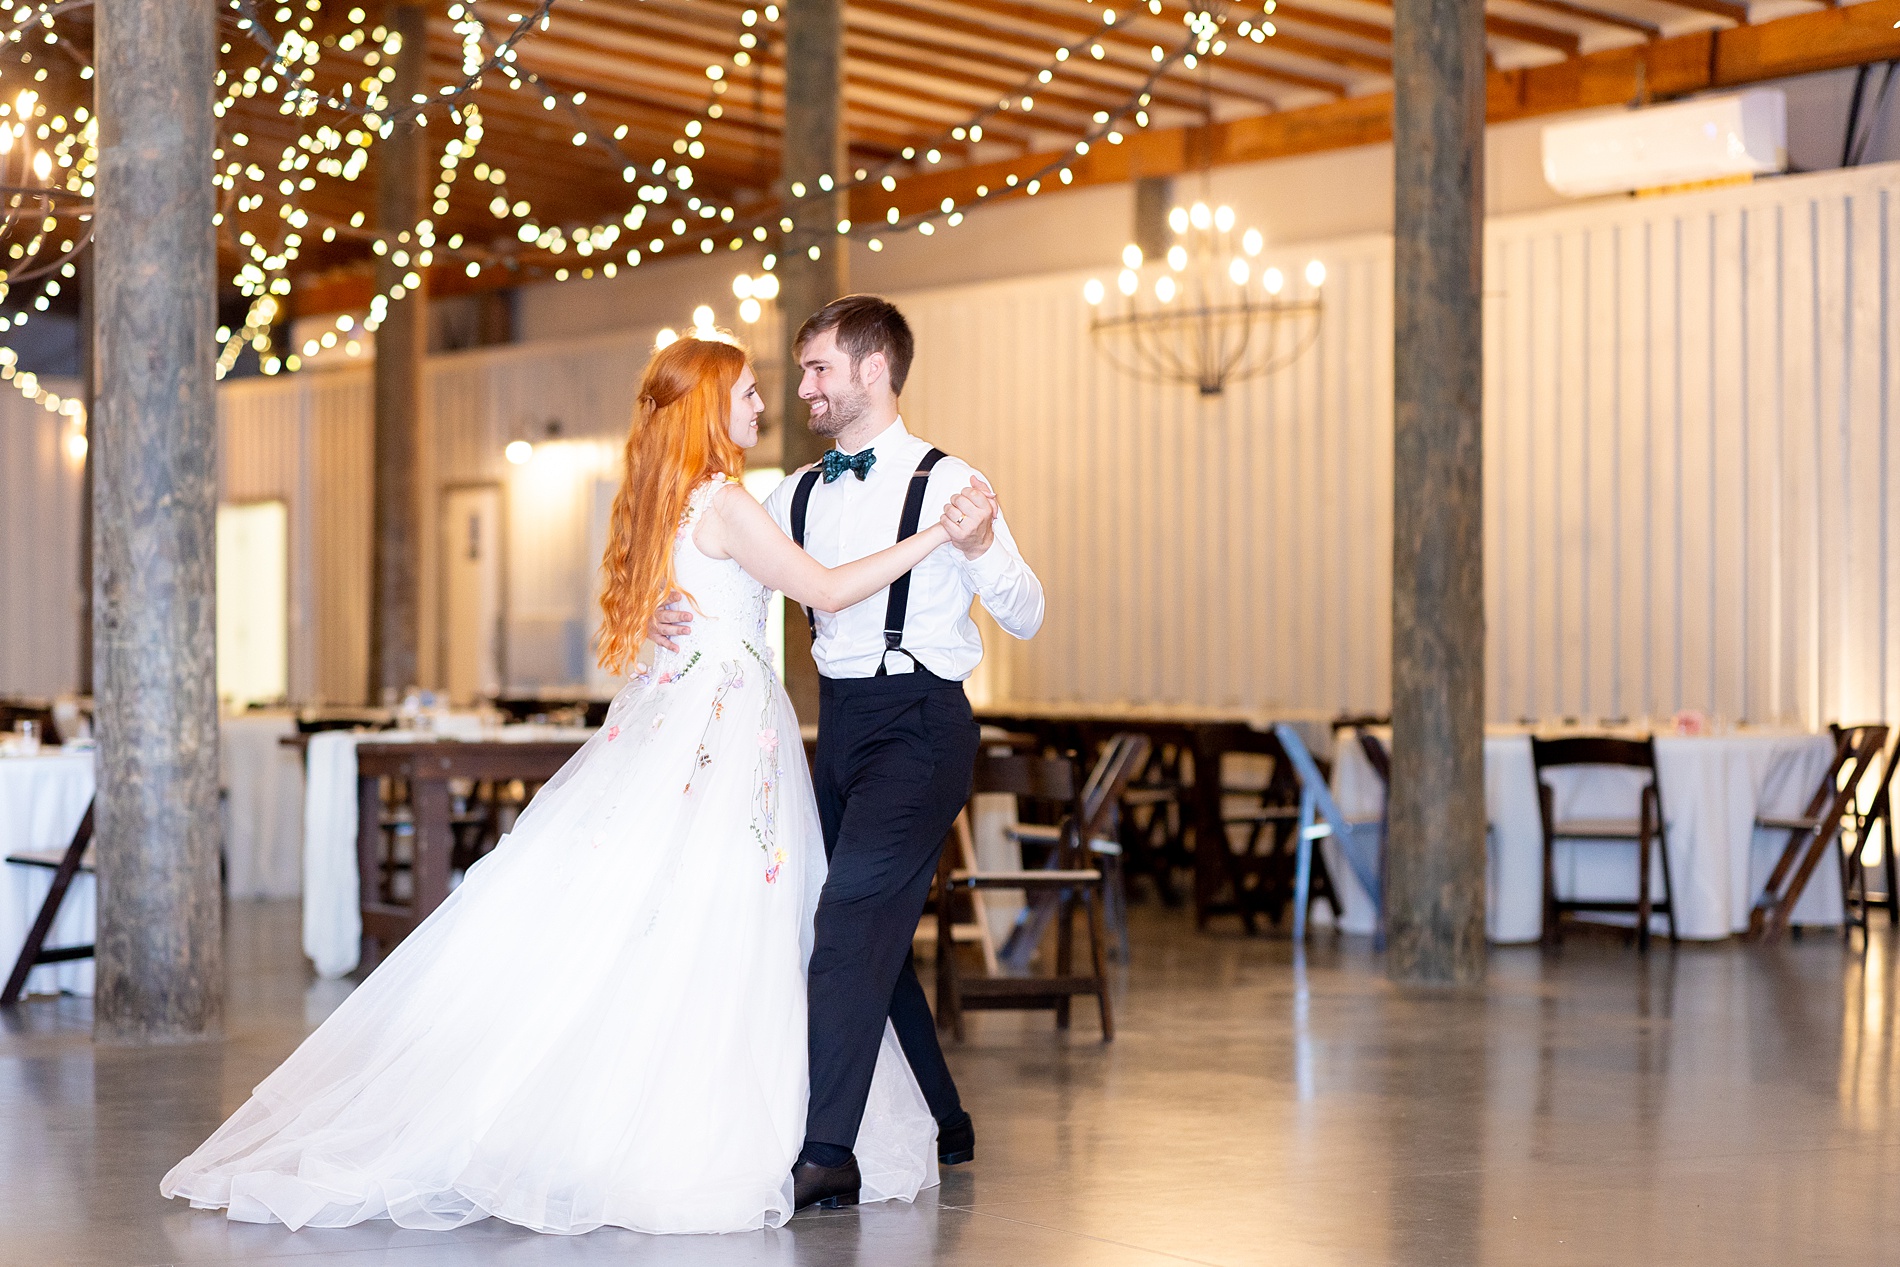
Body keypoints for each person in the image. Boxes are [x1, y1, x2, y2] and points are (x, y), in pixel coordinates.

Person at [159, 332, 984, 1235]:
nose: (762, 405)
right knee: (726, 922)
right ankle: (706, 1122)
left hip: (695, 719)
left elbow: (692, 604)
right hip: (725, 727)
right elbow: (824, 589)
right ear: (713, 406)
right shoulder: (728, 501)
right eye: (748, 392)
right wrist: (936, 534)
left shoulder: (664, 503)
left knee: (692, 918)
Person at [653, 294, 1045, 1211]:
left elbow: (1027, 609)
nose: (806, 388)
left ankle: (827, 1152)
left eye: (821, 368)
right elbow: (716, 567)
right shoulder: (793, 491)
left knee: (849, 922)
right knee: (851, 925)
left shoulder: (952, 482)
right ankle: (945, 1118)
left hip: (920, 725)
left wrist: (983, 545)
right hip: (830, 729)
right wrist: (673, 613)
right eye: (801, 372)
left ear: (874, 369)